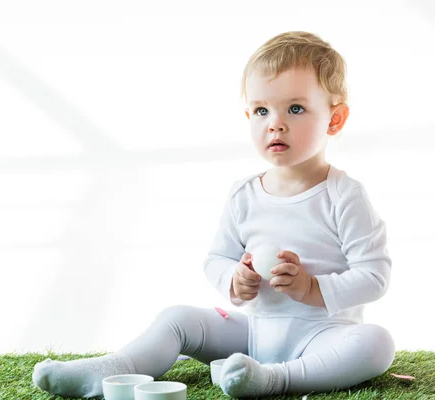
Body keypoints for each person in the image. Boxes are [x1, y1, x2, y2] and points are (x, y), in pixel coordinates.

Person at [32, 31, 395, 398]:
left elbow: (375, 275)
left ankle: (276, 380)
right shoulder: (244, 194)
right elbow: (216, 258)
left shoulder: (344, 195)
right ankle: (116, 369)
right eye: (261, 110)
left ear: (335, 120)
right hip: (254, 333)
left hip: (324, 337)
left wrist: (312, 288)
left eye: (295, 109)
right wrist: (234, 279)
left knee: (377, 342)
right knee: (178, 318)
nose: (275, 123)